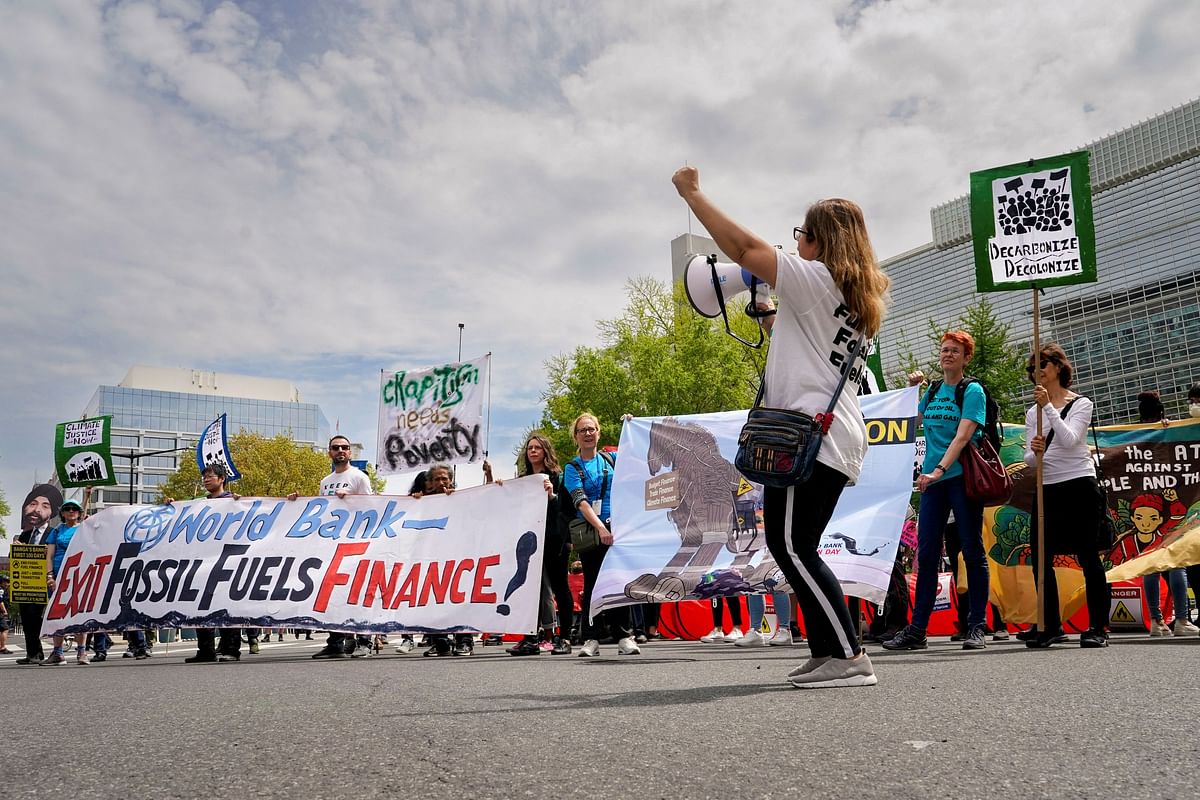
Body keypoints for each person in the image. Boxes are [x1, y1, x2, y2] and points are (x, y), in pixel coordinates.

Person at [673, 165, 890, 688]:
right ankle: (826, 651)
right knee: (793, 542)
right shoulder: (852, 295)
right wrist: (769, 311)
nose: (796, 243)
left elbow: (745, 248)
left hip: (809, 436)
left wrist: (693, 195)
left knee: (793, 546)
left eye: (801, 234)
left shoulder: (817, 278)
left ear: (818, 240)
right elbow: (807, 346)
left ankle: (848, 655)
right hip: (828, 433)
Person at [884, 331, 991, 652]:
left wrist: (940, 469)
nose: (947, 355)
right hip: (932, 482)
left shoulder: (971, 391)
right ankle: (917, 630)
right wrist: (910, 389)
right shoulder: (931, 392)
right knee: (927, 553)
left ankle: (976, 626)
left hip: (959, 478)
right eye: (944, 350)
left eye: (954, 351)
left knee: (971, 550)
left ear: (966, 357)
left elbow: (962, 437)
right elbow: (909, 422)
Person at [1020, 344, 1112, 648]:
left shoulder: (1081, 403)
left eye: (1043, 364)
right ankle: (1050, 624)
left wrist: (1049, 408)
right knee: (1040, 557)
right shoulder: (1032, 411)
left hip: (1079, 485)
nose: (1037, 371)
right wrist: (1034, 452)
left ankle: (1098, 626)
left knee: (1087, 555)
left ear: (1059, 367)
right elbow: (1030, 460)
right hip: (1048, 488)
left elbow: (1072, 440)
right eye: (1032, 367)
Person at [563, 413, 640, 657]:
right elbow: (580, 501)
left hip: (618, 529)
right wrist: (600, 528)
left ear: (599, 432)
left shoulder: (612, 459)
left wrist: (631, 425)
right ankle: (590, 639)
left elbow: (638, 456)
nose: (587, 433)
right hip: (593, 531)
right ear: (576, 436)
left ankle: (624, 636)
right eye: (582, 430)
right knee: (593, 584)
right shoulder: (572, 467)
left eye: (591, 429)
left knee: (620, 582)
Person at [297, 435, 376, 659]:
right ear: (329, 452)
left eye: (344, 447)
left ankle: (364, 641)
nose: (340, 450)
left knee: (358, 591)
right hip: (332, 543)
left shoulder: (359, 477)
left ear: (350, 452)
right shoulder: (325, 481)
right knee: (333, 593)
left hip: (356, 541)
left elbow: (373, 507)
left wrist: (351, 498)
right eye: (335, 448)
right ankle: (335, 642)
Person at [1133, 391, 1196, 637]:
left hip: (1143, 506)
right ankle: (1181, 620)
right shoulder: (1168, 433)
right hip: (1169, 508)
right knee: (1176, 565)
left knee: (1151, 565)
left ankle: (1156, 622)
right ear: (1161, 413)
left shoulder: (1133, 436)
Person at [507, 434, 574, 656]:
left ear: (545, 451)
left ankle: (564, 637)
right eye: (529, 448)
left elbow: (567, 511)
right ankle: (530, 638)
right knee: (530, 589)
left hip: (555, 541)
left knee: (560, 588)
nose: (533, 451)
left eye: (537, 448)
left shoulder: (558, 477)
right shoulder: (524, 479)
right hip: (529, 541)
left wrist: (552, 496)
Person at [172, 464, 245, 663]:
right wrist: (172, 507)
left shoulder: (233, 501)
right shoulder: (199, 504)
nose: (206, 480)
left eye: (210, 476)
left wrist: (242, 503)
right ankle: (206, 649)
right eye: (204, 477)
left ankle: (231, 649)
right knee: (200, 604)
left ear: (222, 479)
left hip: (226, 560)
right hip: (203, 562)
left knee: (227, 604)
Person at [14, 483, 63, 665]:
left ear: (52, 513)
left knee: (36, 617)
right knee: (26, 618)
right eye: (33, 504)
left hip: (44, 583)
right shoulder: (24, 535)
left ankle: (42, 652)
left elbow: (57, 555)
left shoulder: (53, 533)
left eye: (45, 505)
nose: (37, 510)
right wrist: (17, 548)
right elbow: (15, 559)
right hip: (25, 584)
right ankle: (32, 653)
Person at [42, 495, 91, 664]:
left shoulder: (84, 528)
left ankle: (82, 652)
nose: (71, 511)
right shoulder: (56, 531)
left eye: (74, 509)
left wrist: (88, 493)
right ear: (62, 513)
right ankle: (58, 652)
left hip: (79, 574)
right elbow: (49, 556)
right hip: (58, 577)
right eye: (67, 509)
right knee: (57, 614)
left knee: (79, 612)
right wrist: (50, 576)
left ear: (79, 513)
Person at [0, 575, 12, 655]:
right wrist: (4, 611)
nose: (8, 584)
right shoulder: (1, 590)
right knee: (5, 629)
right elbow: (0, 601)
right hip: (0, 613)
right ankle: (2, 647)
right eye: (7, 582)